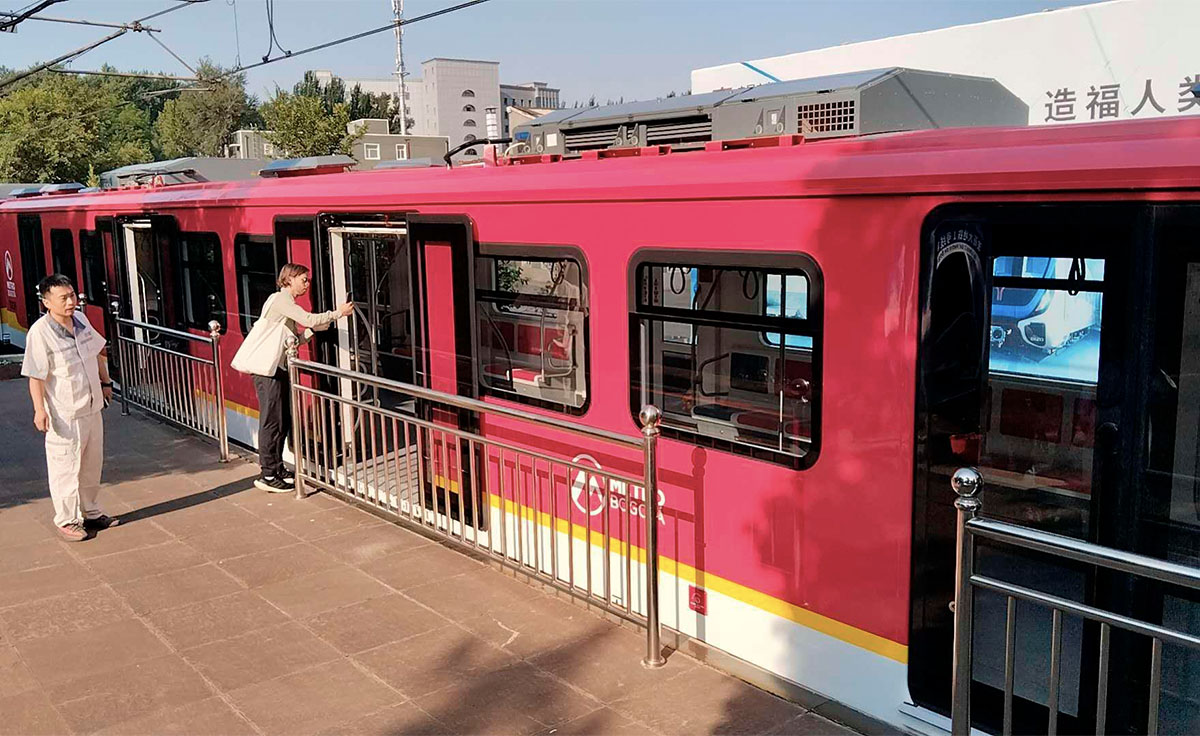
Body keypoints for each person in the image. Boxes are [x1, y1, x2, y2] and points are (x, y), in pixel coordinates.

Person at [22, 274, 117, 542]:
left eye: (72, 295)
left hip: (92, 406)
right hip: (65, 414)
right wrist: (39, 410)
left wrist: (106, 382)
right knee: (66, 467)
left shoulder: (81, 320)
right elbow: (35, 376)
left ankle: (91, 512)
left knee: (91, 464)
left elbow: (97, 352)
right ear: (47, 302)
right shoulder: (40, 333)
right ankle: (67, 520)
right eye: (63, 298)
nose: (70, 302)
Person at [248, 263, 353, 492]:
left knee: (282, 419)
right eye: (304, 280)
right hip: (268, 371)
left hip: (277, 369)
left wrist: (313, 331)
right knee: (271, 421)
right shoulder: (281, 300)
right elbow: (308, 318)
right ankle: (267, 474)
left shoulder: (285, 304)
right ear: (290, 279)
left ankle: (276, 468)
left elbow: (294, 340)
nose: (307, 284)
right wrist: (339, 313)